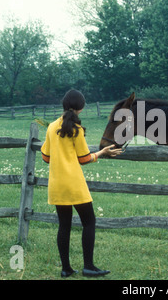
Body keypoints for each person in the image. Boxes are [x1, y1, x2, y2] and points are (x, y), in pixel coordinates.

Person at [41, 89, 122, 278]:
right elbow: (84, 159)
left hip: (57, 184)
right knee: (89, 222)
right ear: (82, 108)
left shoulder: (52, 127)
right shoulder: (76, 130)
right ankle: (88, 266)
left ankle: (66, 269)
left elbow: (46, 157)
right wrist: (102, 153)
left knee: (64, 226)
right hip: (74, 183)